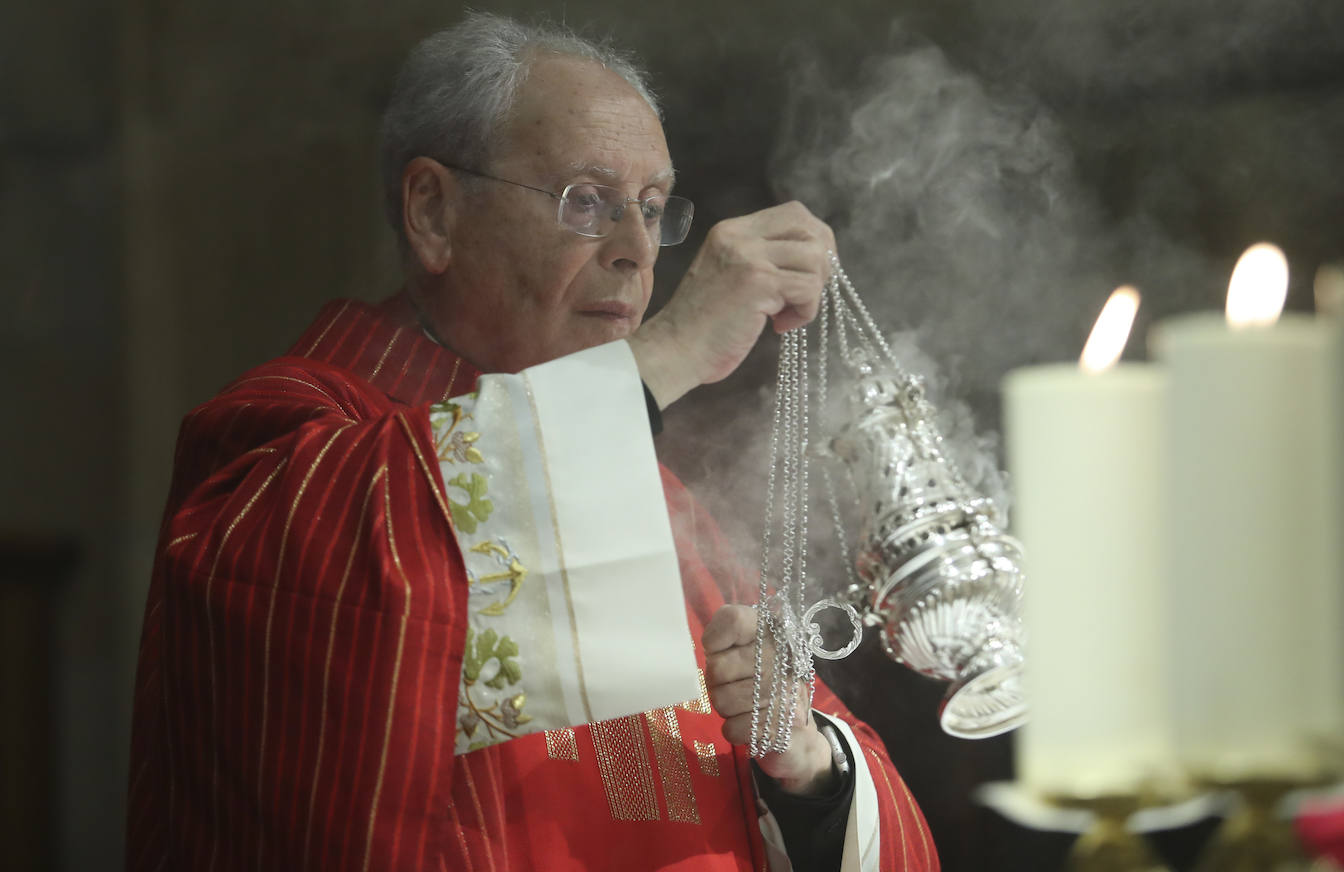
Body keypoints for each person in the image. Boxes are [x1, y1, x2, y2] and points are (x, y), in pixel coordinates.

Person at [125, 13, 938, 871]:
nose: (635, 250)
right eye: (586, 201)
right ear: (433, 212)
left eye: (653, 208)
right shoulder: (286, 439)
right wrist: (665, 351)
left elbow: (868, 798)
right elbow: (351, 606)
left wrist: (804, 765)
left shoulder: (666, 507)